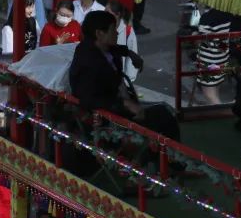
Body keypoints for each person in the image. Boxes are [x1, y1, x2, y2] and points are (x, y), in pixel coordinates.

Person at [69, 11, 179, 141]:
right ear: (99, 33)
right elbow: (86, 98)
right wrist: (124, 103)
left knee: (166, 111)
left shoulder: (103, 48)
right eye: (112, 30)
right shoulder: (89, 61)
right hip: (108, 118)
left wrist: (130, 53)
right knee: (164, 115)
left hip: (121, 105)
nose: (116, 33)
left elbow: (115, 49)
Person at [194, 8, 232, 106]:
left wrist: (194, 35)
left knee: (209, 94)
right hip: (222, 58)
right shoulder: (228, 14)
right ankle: (214, 108)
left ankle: (222, 116)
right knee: (215, 90)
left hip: (208, 60)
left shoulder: (207, 18)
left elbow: (202, 41)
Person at [105, 0, 140, 83]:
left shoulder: (127, 31)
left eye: (107, 12)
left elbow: (131, 57)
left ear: (117, 15)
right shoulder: (101, 28)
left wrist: (128, 82)